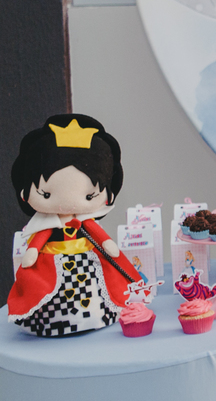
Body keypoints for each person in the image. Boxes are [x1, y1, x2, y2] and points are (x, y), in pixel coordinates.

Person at [8, 114, 139, 337]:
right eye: (46, 194)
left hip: (86, 260)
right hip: (51, 263)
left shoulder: (85, 222)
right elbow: (39, 239)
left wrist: (107, 244)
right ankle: (55, 323)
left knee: (95, 288)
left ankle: (96, 317)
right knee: (48, 291)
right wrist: (32, 251)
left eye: (89, 196)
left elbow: (99, 236)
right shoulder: (46, 225)